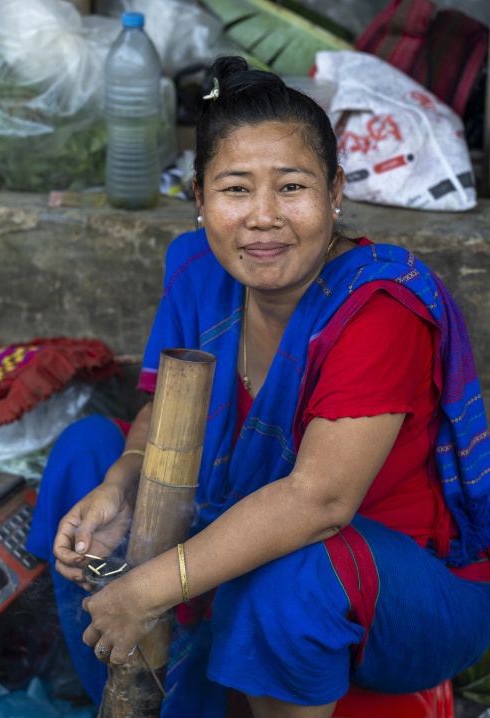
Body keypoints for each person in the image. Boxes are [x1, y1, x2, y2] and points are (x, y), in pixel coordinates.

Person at [27, 56, 490, 718]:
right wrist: (120, 483)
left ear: (335, 193)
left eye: (292, 187)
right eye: (236, 189)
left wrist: (150, 585)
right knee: (85, 452)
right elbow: (162, 412)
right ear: (200, 200)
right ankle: (141, 699)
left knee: (286, 575)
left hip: (393, 591)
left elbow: (318, 501)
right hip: (228, 538)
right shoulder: (199, 275)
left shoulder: (377, 309)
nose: (262, 217)